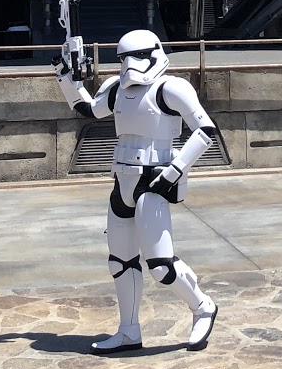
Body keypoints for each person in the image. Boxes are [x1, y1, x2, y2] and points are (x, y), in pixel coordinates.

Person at [56, 29, 221, 352]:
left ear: (155, 53)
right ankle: (129, 330)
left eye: (140, 56)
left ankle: (203, 307)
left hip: (154, 180)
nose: (131, 64)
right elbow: (88, 109)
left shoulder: (170, 87)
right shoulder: (116, 89)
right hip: (122, 179)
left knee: (160, 265)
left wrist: (174, 171)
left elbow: (205, 130)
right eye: (125, 58)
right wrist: (65, 77)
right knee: (120, 262)